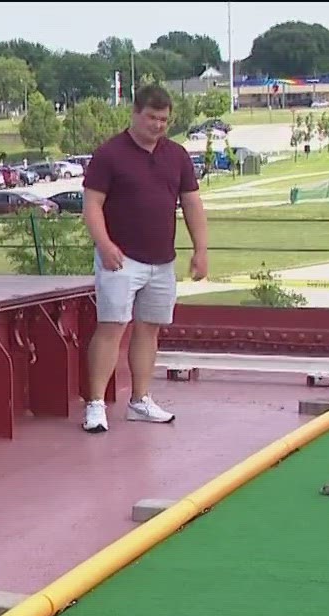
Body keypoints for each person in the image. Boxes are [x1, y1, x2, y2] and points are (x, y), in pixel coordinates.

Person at [78, 84, 208, 434]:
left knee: (149, 329)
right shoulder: (109, 155)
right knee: (112, 327)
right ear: (135, 114)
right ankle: (95, 405)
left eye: (164, 119)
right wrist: (104, 244)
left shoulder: (177, 156)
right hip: (120, 259)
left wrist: (200, 249)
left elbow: (192, 204)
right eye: (151, 117)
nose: (157, 125)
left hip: (162, 260)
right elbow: (92, 204)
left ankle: (140, 400)